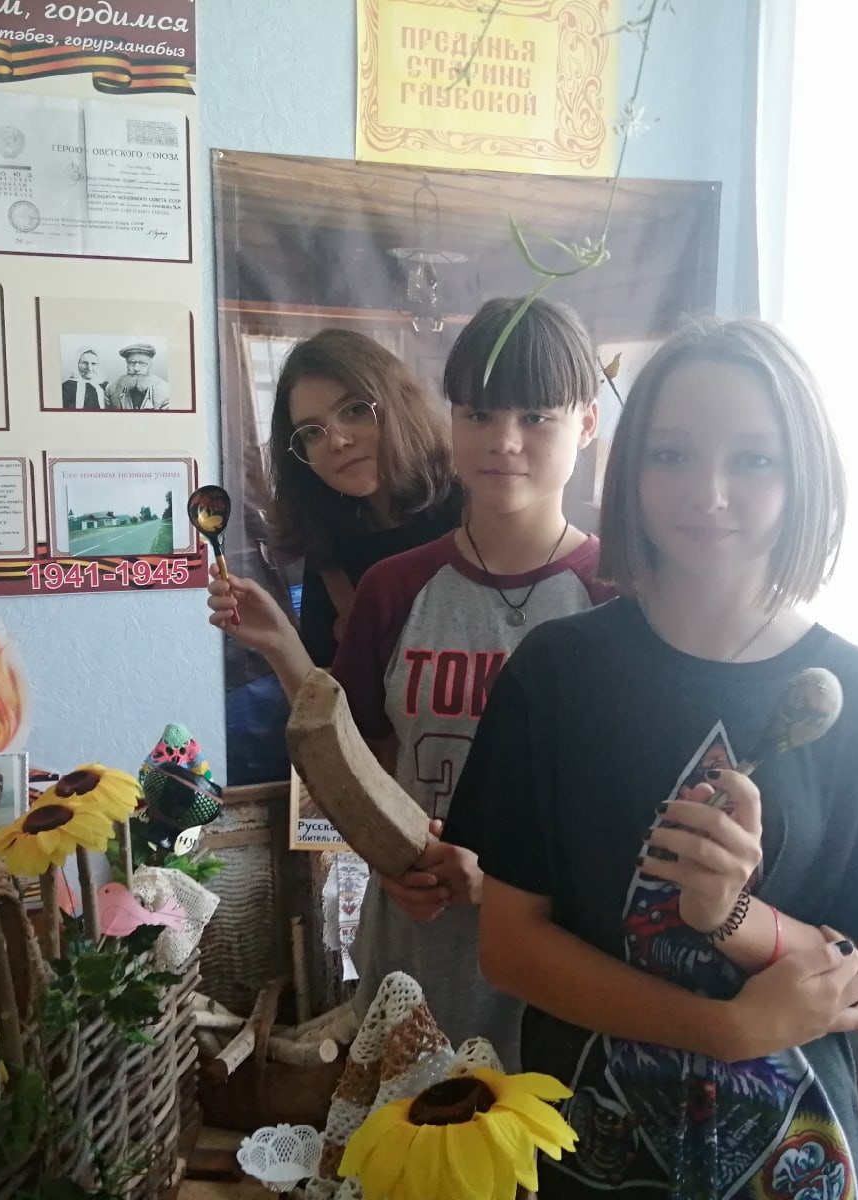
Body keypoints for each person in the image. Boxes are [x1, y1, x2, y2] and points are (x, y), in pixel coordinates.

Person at [444, 316, 858, 1199]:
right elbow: (511, 949)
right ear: (629, 468)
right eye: (671, 455)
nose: (708, 493)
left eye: (754, 460)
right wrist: (725, 1029)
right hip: (585, 1151)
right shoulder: (557, 674)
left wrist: (733, 916)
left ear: (805, 473)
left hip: (794, 1158)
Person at [208, 297, 612, 1067]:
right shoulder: (393, 589)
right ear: (451, 419)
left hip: (561, 984)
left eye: (535, 416)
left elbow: (629, 817)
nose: (503, 441)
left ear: (587, 423)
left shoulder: (619, 596)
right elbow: (356, 764)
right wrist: (390, 858)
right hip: (414, 961)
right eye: (480, 414)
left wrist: (504, 881)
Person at [266, 328, 463, 667]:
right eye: (312, 432)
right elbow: (328, 692)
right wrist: (279, 643)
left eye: (354, 410)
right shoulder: (327, 551)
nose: (337, 441)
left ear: (400, 405)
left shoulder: (476, 513)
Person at [106, 343, 170, 409]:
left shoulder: (166, 391)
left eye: (142, 363)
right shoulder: (112, 389)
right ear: (127, 364)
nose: (136, 368)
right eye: (132, 362)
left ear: (150, 365)